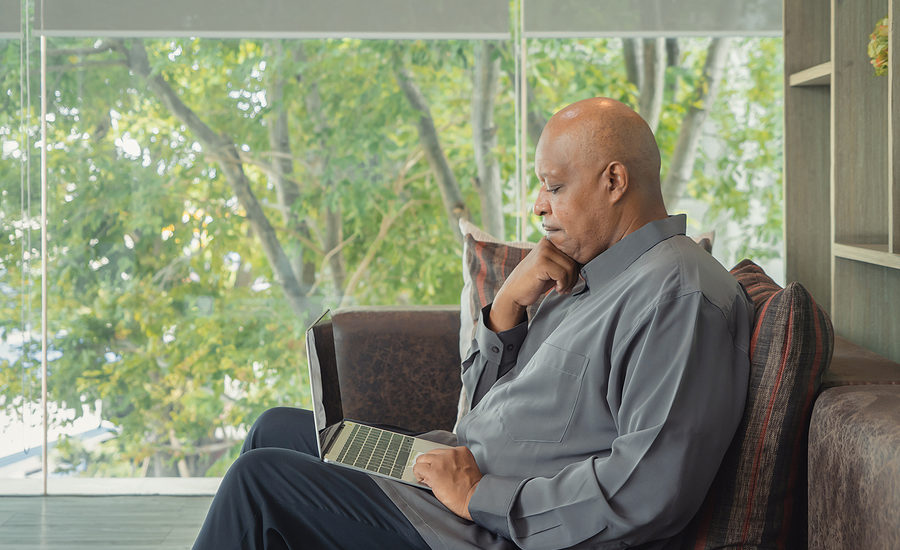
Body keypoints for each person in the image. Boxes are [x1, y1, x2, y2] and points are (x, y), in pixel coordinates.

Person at [194, 97, 752, 550]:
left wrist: (479, 496)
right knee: (274, 428)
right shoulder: (591, 273)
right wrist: (507, 307)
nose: (539, 206)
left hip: (478, 526)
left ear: (614, 181)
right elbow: (494, 409)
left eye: (554, 187)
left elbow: (647, 492)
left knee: (258, 483)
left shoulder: (679, 295)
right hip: (455, 473)